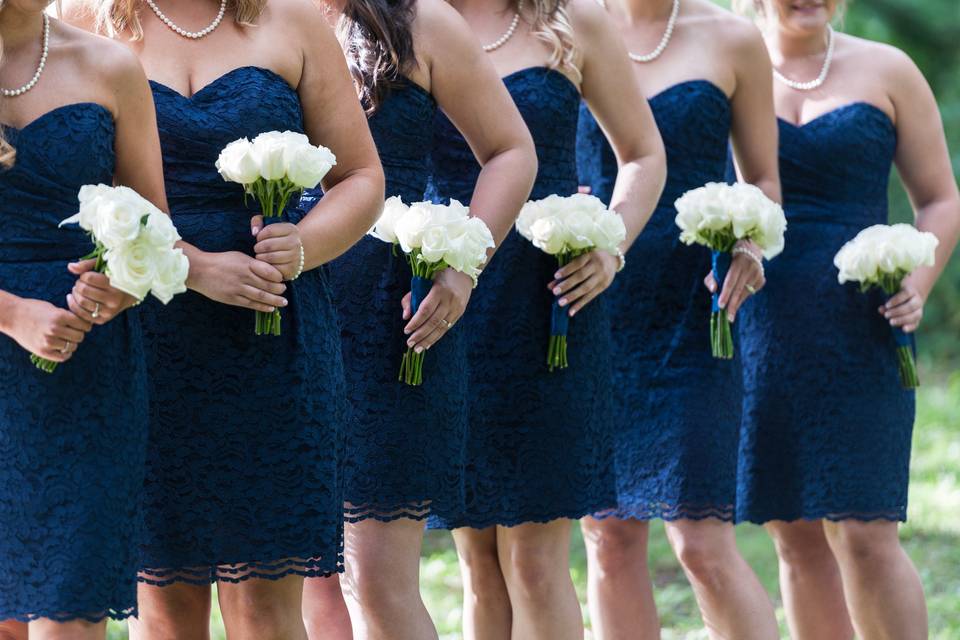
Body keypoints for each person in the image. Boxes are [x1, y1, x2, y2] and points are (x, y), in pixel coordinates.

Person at [65, 0, 385, 637]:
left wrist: (304, 246)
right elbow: (63, 185)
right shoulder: (82, 24)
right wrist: (192, 266)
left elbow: (362, 176)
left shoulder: (291, 22)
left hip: (275, 343)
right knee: (165, 606)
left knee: (268, 607)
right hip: (144, 339)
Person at [426, 0, 667, 637]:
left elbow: (643, 153)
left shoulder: (573, 21)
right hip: (447, 300)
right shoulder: (409, 18)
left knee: (535, 559)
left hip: (550, 301)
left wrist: (611, 244)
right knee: (476, 560)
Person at [300, 1, 536, 638]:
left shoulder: (421, 20)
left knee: (375, 578)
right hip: (289, 311)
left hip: (391, 319)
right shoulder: (258, 17)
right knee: (313, 581)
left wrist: (464, 266)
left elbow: (511, 150)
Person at [733, 1, 960, 638]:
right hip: (761, 328)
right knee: (794, 535)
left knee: (866, 531)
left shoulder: (888, 68)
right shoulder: (728, 64)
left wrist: (916, 281)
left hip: (865, 327)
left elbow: (940, 199)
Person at [575, 0, 781, 637]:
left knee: (700, 542)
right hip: (590, 303)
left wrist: (750, 242)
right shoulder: (564, 25)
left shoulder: (734, 38)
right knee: (607, 538)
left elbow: (765, 180)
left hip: (697, 312)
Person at [0, 0, 166, 637]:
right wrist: (13, 314)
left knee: (70, 613)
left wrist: (122, 286)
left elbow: (155, 222)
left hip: (91, 373)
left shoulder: (110, 64)